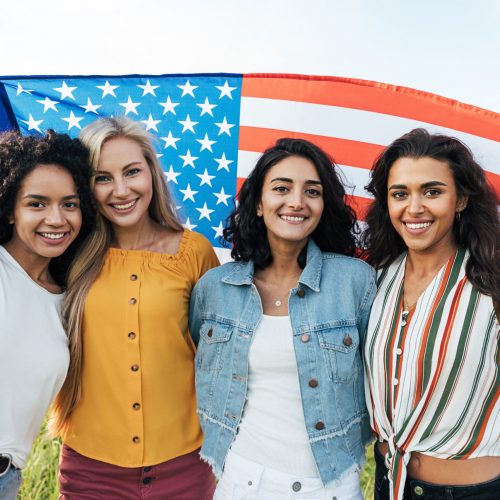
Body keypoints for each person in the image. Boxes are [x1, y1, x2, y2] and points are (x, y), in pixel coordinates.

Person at [189, 138, 376, 499]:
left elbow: (380, 377)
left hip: (332, 484)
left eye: (312, 191)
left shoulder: (355, 281)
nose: (296, 202)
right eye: (281, 188)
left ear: (323, 205)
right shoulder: (215, 288)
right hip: (242, 480)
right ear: (259, 203)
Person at [50, 117, 219, 499]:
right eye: (103, 177)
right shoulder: (67, 255)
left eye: (132, 172)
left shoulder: (195, 252)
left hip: (186, 465)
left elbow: (220, 355)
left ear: (152, 174)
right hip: (90, 470)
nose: (121, 190)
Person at [362, 128, 500, 500]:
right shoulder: (373, 280)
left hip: (471, 492)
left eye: (432, 191)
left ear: (461, 200)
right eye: (400, 194)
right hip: (388, 485)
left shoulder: (493, 283)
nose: (415, 208)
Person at [0, 130, 95, 500]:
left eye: (69, 204)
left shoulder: (68, 298)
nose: (57, 219)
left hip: (9, 479)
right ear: (10, 208)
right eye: (37, 204)